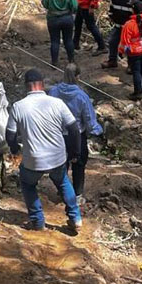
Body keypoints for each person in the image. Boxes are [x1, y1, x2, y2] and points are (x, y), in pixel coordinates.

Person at [6, 68, 82, 235]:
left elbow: (10, 135)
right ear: (42, 84)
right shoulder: (57, 103)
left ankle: (38, 220)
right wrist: (75, 152)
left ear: (26, 86)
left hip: (33, 160)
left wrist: (15, 150)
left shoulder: (18, 106)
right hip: (57, 157)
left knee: (28, 184)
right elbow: (74, 129)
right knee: (63, 181)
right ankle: (75, 218)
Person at [47, 63, 103, 202]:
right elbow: (89, 119)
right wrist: (98, 130)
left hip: (58, 135)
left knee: (61, 164)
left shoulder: (53, 92)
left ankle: (63, 191)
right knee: (79, 164)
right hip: (77, 136)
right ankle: (77, 195)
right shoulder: (82, 96)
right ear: (78, 77)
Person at [101, 0, 142, 69]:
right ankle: (112, 60)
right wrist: (111, 15)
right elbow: (113, 5)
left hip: (130, 27)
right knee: (113, 42)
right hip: (118, 24)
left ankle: (131, 65)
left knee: (129, 46)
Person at [41, 0, 78, 64]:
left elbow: (44, 4)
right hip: (67, 19)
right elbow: (75, 6)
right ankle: (71, 60)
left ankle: (54, 62)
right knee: (68, 40)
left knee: (55, 41)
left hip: (53, 20)